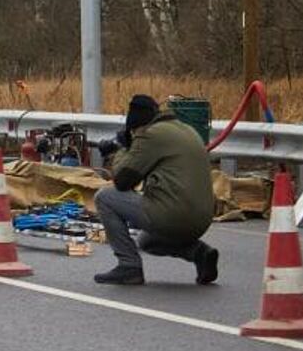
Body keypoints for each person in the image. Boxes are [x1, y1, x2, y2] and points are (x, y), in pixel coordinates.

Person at [93, 94, 220, 286]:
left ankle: (129, 266)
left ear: (138, 126)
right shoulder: (186, 129)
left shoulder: (150, 135)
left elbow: (122, 182)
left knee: (105, 197)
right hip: (203, 218)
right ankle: (199, 253)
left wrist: (117, 151)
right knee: (147, 241)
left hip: (175, 215)